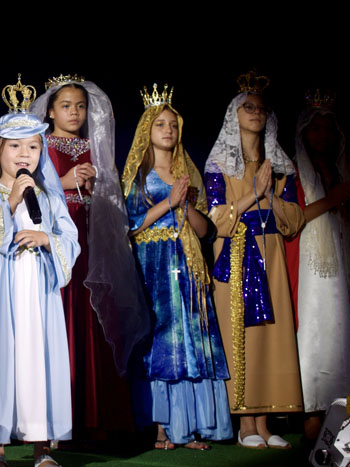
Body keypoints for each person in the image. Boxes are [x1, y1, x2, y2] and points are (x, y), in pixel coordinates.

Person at [0, 76, 79, 467]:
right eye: (16, 146)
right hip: (1, 287)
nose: (26, 155)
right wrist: (12, 202)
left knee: (38, 358)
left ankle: (42, 448)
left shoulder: (51, 197)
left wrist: (47, 241)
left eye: (34, 146)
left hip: (38, 288)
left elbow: (69, 242)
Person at [31, 75, 147, 440]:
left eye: (80, 106)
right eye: (66, 105)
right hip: (54, 238)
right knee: (59, 315)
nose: (74, 112)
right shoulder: (40, 144)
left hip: (88, 242)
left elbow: (107, 200)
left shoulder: (91, 146)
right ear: (50, 111)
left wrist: (97, 188)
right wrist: (64, 182)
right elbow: (23, 185)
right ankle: (50, 421)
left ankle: (91, 415)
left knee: (90, 313)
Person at [121, 84, 232, 450]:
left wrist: (184, 205)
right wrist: (168, 202)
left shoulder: (187, 174)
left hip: (187, 264)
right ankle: (160, 429)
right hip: (153, 264)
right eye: (160, 125)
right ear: (146, 132)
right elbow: (131, 225)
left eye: (173, 125)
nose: (168, 130)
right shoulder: (138, 175)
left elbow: (206, 231)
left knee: (191, 338)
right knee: (161, 339)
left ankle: (191, 427)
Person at [204, 71, 304, 449]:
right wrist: (254, 194)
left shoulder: (280, 166)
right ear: (235, 114)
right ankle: (245, 422)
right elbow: (216, 220)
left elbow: (294, 220)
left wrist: (271, 196)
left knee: (272, 334)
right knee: (240, 333)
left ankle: (266, 421)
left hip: (271, 252)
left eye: (261, 108)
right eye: (248, 107)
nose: (255, 113)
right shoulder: (219, 166)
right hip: (237, 254)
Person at [284, 93, 350, 439]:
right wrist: (334, 198)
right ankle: (310, 410)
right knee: (314, 328)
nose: (322, 136)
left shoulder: (338, 167)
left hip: (340, 254)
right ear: (304, 133)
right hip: (310, 258)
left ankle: (340, 410)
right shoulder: (294, 170)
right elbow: (295, 218)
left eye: (328, 129)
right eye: (316, 129)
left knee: (340, 329)